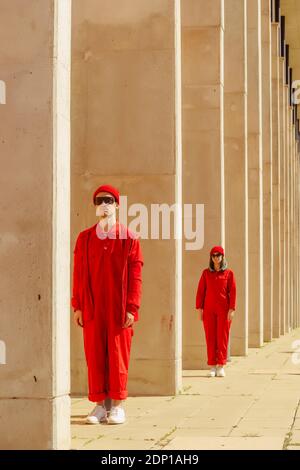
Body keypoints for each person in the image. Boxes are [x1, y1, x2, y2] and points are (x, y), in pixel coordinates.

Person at [71, 184, 143, 424]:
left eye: (109, 201)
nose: (104, 205)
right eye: (99, 201)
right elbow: (79, 273)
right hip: (92, 306)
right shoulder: (85, 238)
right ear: (95, 207)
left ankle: (119, 406)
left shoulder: (129, 238)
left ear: (117, 205)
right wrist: (78, 305)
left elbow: (136, 275)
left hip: (118, 307)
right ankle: (99, 405)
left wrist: (132, 307)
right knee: (95, 355)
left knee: (117, 354)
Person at [195, 246, 236, 378]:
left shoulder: (229, 274)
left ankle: (221, 365)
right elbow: (201, 292)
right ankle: (212, 365)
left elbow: (233, 292)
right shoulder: (206, 273)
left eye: (218, 255)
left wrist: (232, 309)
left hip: (223, 310)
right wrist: (199, 309)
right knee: (210, 337)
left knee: (222, 338)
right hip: (209, 310)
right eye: (214, 255)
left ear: (223, 257)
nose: (216, 258)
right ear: (211, 258)